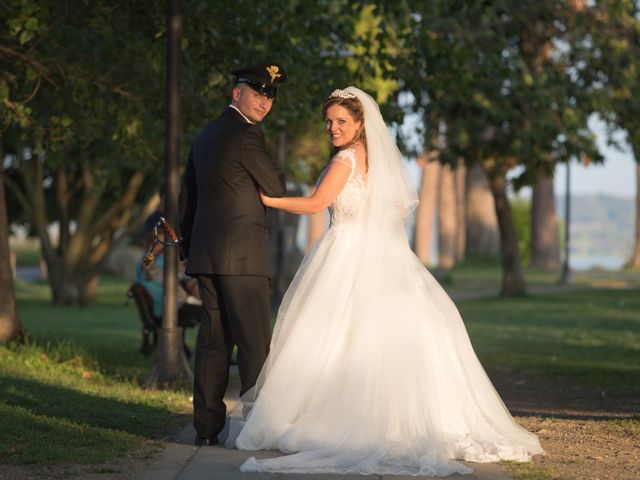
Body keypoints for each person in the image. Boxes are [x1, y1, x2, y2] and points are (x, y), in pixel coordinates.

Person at [228, 87, 544, 476]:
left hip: (345, 251)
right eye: (329, 121)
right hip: (375, 252)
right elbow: (393, 211)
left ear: (360, 123)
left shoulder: (346, 159)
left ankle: (334, 415)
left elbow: (313, 204)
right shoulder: (376, 159)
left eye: (341, 121)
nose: (333, 128)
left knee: (336, 332)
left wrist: (268, 200)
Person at [179, 63, 287, 446]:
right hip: (242, 259)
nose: (263, 101)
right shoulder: (247, 135)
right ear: (235, 92)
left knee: (213, 344)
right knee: (255, 343)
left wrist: (187, 246)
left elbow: (187, 196)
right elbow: (276, 185)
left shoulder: (205, 136)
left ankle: (206, 430)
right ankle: (257, 428)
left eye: (269, 95)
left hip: (206, 256)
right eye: (257, 92)